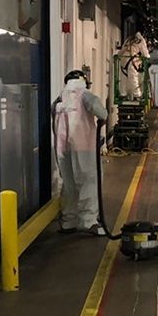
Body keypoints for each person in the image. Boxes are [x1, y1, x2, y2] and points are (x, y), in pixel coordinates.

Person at [54, 70, 110, 235]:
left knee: (69, 183)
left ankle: (69, 221)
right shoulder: (85, 95)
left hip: (62, 149)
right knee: (88, 182)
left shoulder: (60, 98)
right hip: (83, 147)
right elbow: (102, 113)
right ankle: (88, 222)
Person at [117, 30, 149, 100]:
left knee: (124, 78)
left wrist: (118, 55)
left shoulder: (129, 39)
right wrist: (147, 57)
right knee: (133, 78)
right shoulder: (141, 40)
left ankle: (123, 93)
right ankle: (137, 95)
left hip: (123, 60)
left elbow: (122, 49)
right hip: (132, 61)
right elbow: (145, 53)